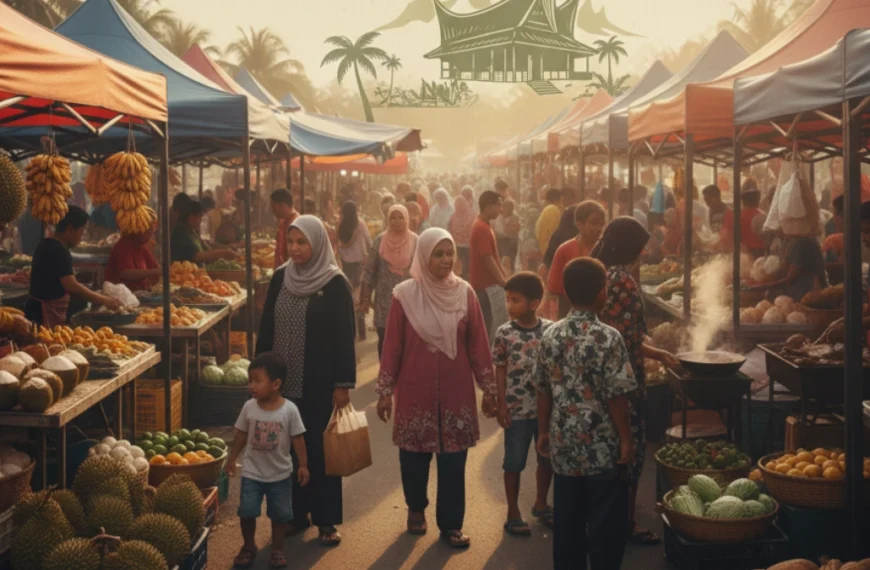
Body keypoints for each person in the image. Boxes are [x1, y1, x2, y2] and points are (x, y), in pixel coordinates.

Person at [375, 228, 497, 549]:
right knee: (413, 458)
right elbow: (392, 348)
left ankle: (451, 525)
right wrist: (385, 391)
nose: (445, 260)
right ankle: (416, 508)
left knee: (454, 463)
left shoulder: (465, 293)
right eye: (438, 254)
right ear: (424, 256)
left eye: (449, 253)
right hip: (415, 393)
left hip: (456, 395)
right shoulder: (405, 295)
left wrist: (489, 390)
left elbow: (478, 346)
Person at [256, 216, 356, 547]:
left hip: (319, 383)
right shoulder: (281, 277)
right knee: (285, 452)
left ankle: (326, 520)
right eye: (292, 241)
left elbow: (345, 337)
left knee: (320, 451)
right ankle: (295, 514)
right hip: (281, 385)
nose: (296, 248)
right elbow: (267, 326)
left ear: (317, 243)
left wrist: (342, 383)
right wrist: (260, 375)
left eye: (303, 242)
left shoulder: (335, 283)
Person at [535, 257, 637, 570]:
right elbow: (616, 394)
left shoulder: (550, 334)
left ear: (565, 290)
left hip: (564, 446)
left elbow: (542, 388)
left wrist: (543, 432)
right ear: (602, 294)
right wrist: (625, 439)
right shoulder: (609, 337)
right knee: (606, 527)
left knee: (568, 524)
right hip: (603, 447)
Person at [592, 217, 679, 547]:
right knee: (629, 448)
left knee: (608, 447)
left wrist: (660, 355)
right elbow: (627, 339)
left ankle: (603, 517)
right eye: (640, 247)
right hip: (624, 378)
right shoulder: (623, 281)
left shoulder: (599, 270)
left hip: (599, 375)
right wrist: (659, 356)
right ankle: (624, 524)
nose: (643, 253)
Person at [226, 352, 310, 570]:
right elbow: (241, 434)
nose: (251, 386)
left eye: (257, 381)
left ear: (275, 384)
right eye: (250, 380)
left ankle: (278, 549)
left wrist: (303, 465)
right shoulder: (249, 407)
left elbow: (297, 438)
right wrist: (231, 458)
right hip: (252, 472)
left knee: (280, 515)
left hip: (280, 474)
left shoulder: (289, 410)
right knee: (247, 510)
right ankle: (249, 545)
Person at [491, 272, 554, 536]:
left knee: (546, 459)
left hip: (545, 413)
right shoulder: (504, 333)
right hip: (516, 411)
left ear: (534, 303)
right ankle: (513, 512)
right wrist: (501, 403)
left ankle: (541, 503)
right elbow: (501, 369)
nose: (509, 305)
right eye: (507, 299)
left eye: (515, 300)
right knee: (514, 461)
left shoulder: (550, 330)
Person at [25, 206, 122, 326]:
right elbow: (72, 287)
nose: (82, 237)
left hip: (39, 310)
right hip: (43, 315)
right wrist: (104, 300)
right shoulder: (58, 250)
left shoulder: (47, 244)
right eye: (82, 231)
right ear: (70, 229)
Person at [360, 205, 417, 356]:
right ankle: (386, 376)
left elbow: (422, 272)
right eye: (393, 217)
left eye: (400, 217)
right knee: (385, 342)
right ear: (388, 219)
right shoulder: (380, 241)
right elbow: (369, 271)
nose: (396, 221)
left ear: (407, 219)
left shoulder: (415, 241)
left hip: (409, 302)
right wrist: (365, 298)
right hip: (384, 302)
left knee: (406, 342)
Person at [547, 201, 607, 318]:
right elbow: (555, 289)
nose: (599, 228)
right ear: (579, 224)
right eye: (593, 223)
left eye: (601, 224)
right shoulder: (565, 250)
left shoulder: (605, 249)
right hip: (569, 313)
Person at [470, 190, 506, 339]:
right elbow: (488, 259)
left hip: (487, 285)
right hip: (485, 286)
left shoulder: (483, 225)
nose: (500, 209)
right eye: (498, 206)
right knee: (490, 325)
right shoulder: (482, 228)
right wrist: (503, 282)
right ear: (489, 206)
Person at [337, 201, 372, 340]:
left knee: (349, 294)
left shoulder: (340, 224)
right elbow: (369, 241)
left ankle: (349, 328)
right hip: (360, 263)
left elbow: (338, 244)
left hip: (346, 263)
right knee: (359, 295)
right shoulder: (360, 224)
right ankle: (361, 331)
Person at [170, 200, 235, 265]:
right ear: (191, 217)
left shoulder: (192, 231)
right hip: (186, 272)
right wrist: (222, 253)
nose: (201, 220)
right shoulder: (180, 232)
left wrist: (227, 248)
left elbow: (207, 248)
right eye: (200, 216)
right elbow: (197, 256)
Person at [104, 224, 161, 291]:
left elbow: (155, 268)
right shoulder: (123, 245)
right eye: (149, 231)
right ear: (139, 230)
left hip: (139, 293)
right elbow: (125, 273)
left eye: (152, 232)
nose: (151, 235)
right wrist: (153, 272)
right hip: (119, 294)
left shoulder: (142, 246)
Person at [271, 189, 299, 268]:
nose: (272, 210)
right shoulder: (284, 222)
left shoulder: (295, 224)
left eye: (273, 206)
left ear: (282, 205)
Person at [449, 195, 475, 280]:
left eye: (460, 205)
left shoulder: (472, 216)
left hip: (468, 246)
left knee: (466, 267)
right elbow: (450, 228)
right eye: (457, 205)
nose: (459, 207)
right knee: (455, 266)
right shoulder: (453, 216)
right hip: (456, 245)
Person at [494, 198, 521, 275]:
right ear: (503, 207)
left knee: (512, 258)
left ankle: (511, 272)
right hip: (501, 240)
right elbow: (496, 228)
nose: (509, 209)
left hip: (511, 240)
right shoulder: (499, 215)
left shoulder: (515, 216)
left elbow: (514, 229)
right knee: (499, 258)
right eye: (507, 207)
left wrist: (506, 230)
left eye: (511, 207)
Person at [740, 185, 768, 258]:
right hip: (759, 250)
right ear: (757, 200)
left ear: (744, 202)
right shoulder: (762, 215)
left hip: (744, 250)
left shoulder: (739, 215)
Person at [535, 188, 563, 256]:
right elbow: (553, 232)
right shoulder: (553, 209)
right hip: (552, 250)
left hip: (547, 250)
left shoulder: (549, 209)